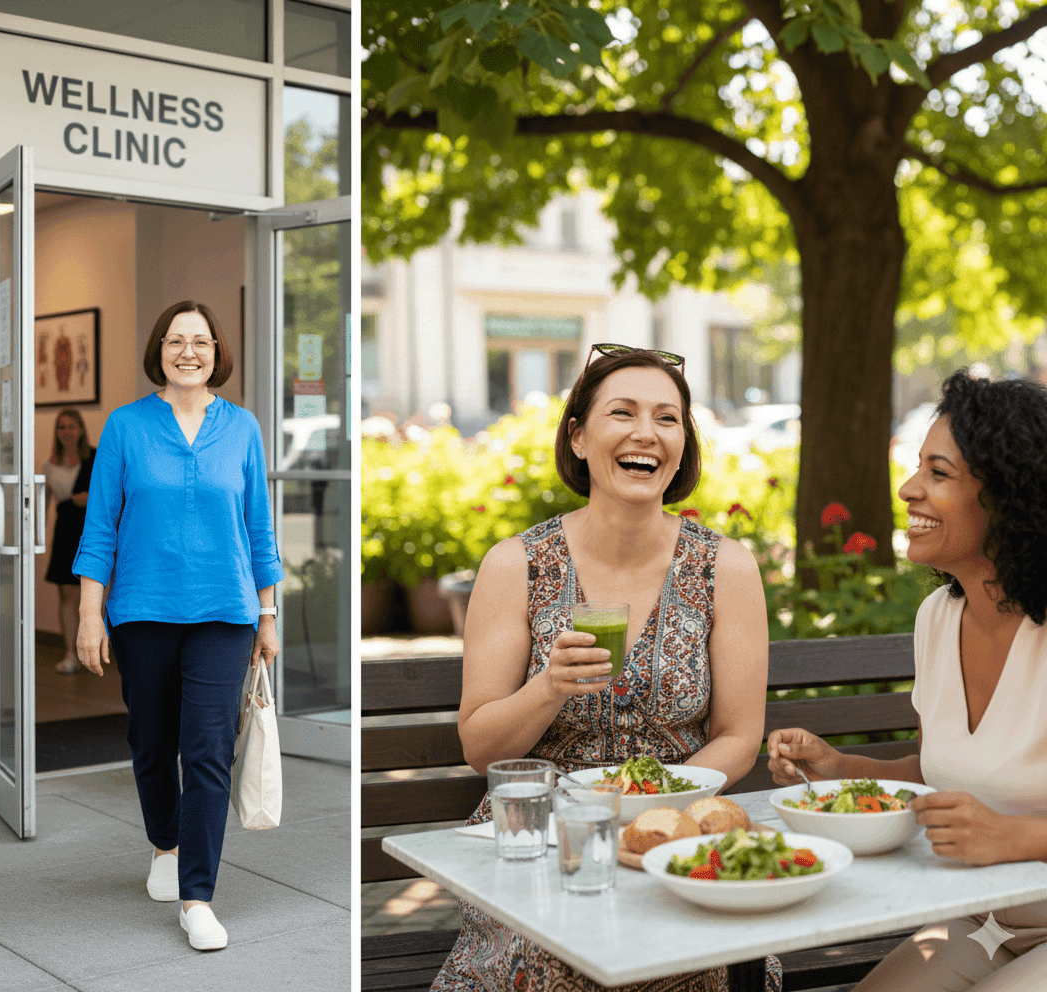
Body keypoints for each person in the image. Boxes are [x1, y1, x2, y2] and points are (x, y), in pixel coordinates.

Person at [433, 344, 777, 992]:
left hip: (670, 834)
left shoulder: (724, 568)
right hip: (542, 838)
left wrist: (661, 799)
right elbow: (480, 746)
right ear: (580, 435)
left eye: (667, 418)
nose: (646, 432)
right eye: (622, 412)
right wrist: (549, 687)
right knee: (555, 959)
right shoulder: (518, 565)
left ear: (683, 444)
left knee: (692, 958)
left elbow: (739, 734)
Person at [767, 369, 1047, 991]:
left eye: (938, 474)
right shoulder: (937, 619)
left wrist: (1015, 836)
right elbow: (936, 771)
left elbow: (1002, 818)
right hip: (983, 920)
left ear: (1008, 495)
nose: (907, 488)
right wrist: (839, 768)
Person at [74, 300, 285, 951]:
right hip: (140, 610)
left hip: (224, 612)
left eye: (199, 340)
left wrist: (269, 611)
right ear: (159, 351)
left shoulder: (243, 427)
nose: (188, 351)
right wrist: (89, 613)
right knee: (150, 740)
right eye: (175, 340)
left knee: (208, 750)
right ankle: (165, 842)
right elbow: (101, 524)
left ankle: (198, 898)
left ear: (217, 350)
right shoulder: (126, 427)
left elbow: (258, 528)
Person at [42, 408, 95, 674]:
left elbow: (117, 492)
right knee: (66, 593)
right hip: (65, 531)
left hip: (90, 530)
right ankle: (70, 652)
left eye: (71, 427)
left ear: (82, 429)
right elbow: (43, 504)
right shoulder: (50, 464)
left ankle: (92, 649)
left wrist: (90, 498)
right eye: (61, 427)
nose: (66, 433)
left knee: (89, 592)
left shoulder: (96, 459)